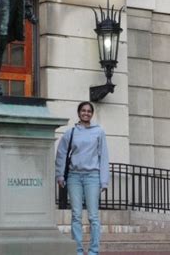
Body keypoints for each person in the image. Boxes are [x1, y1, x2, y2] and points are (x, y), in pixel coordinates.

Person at [55, 101, 109, 255]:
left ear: (92, 114)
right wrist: (60, 174)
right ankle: (78, 250)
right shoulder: (70, 133)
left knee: (93, 216)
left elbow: (103, 156)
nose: (86, 113)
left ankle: (93, 251)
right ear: (79, 113)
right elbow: (61, 154)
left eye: (89, 111)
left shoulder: (99, 132)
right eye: (83, 111)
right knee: (76, 215)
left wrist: (104, 180)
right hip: (74, 177)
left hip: (92, 176)